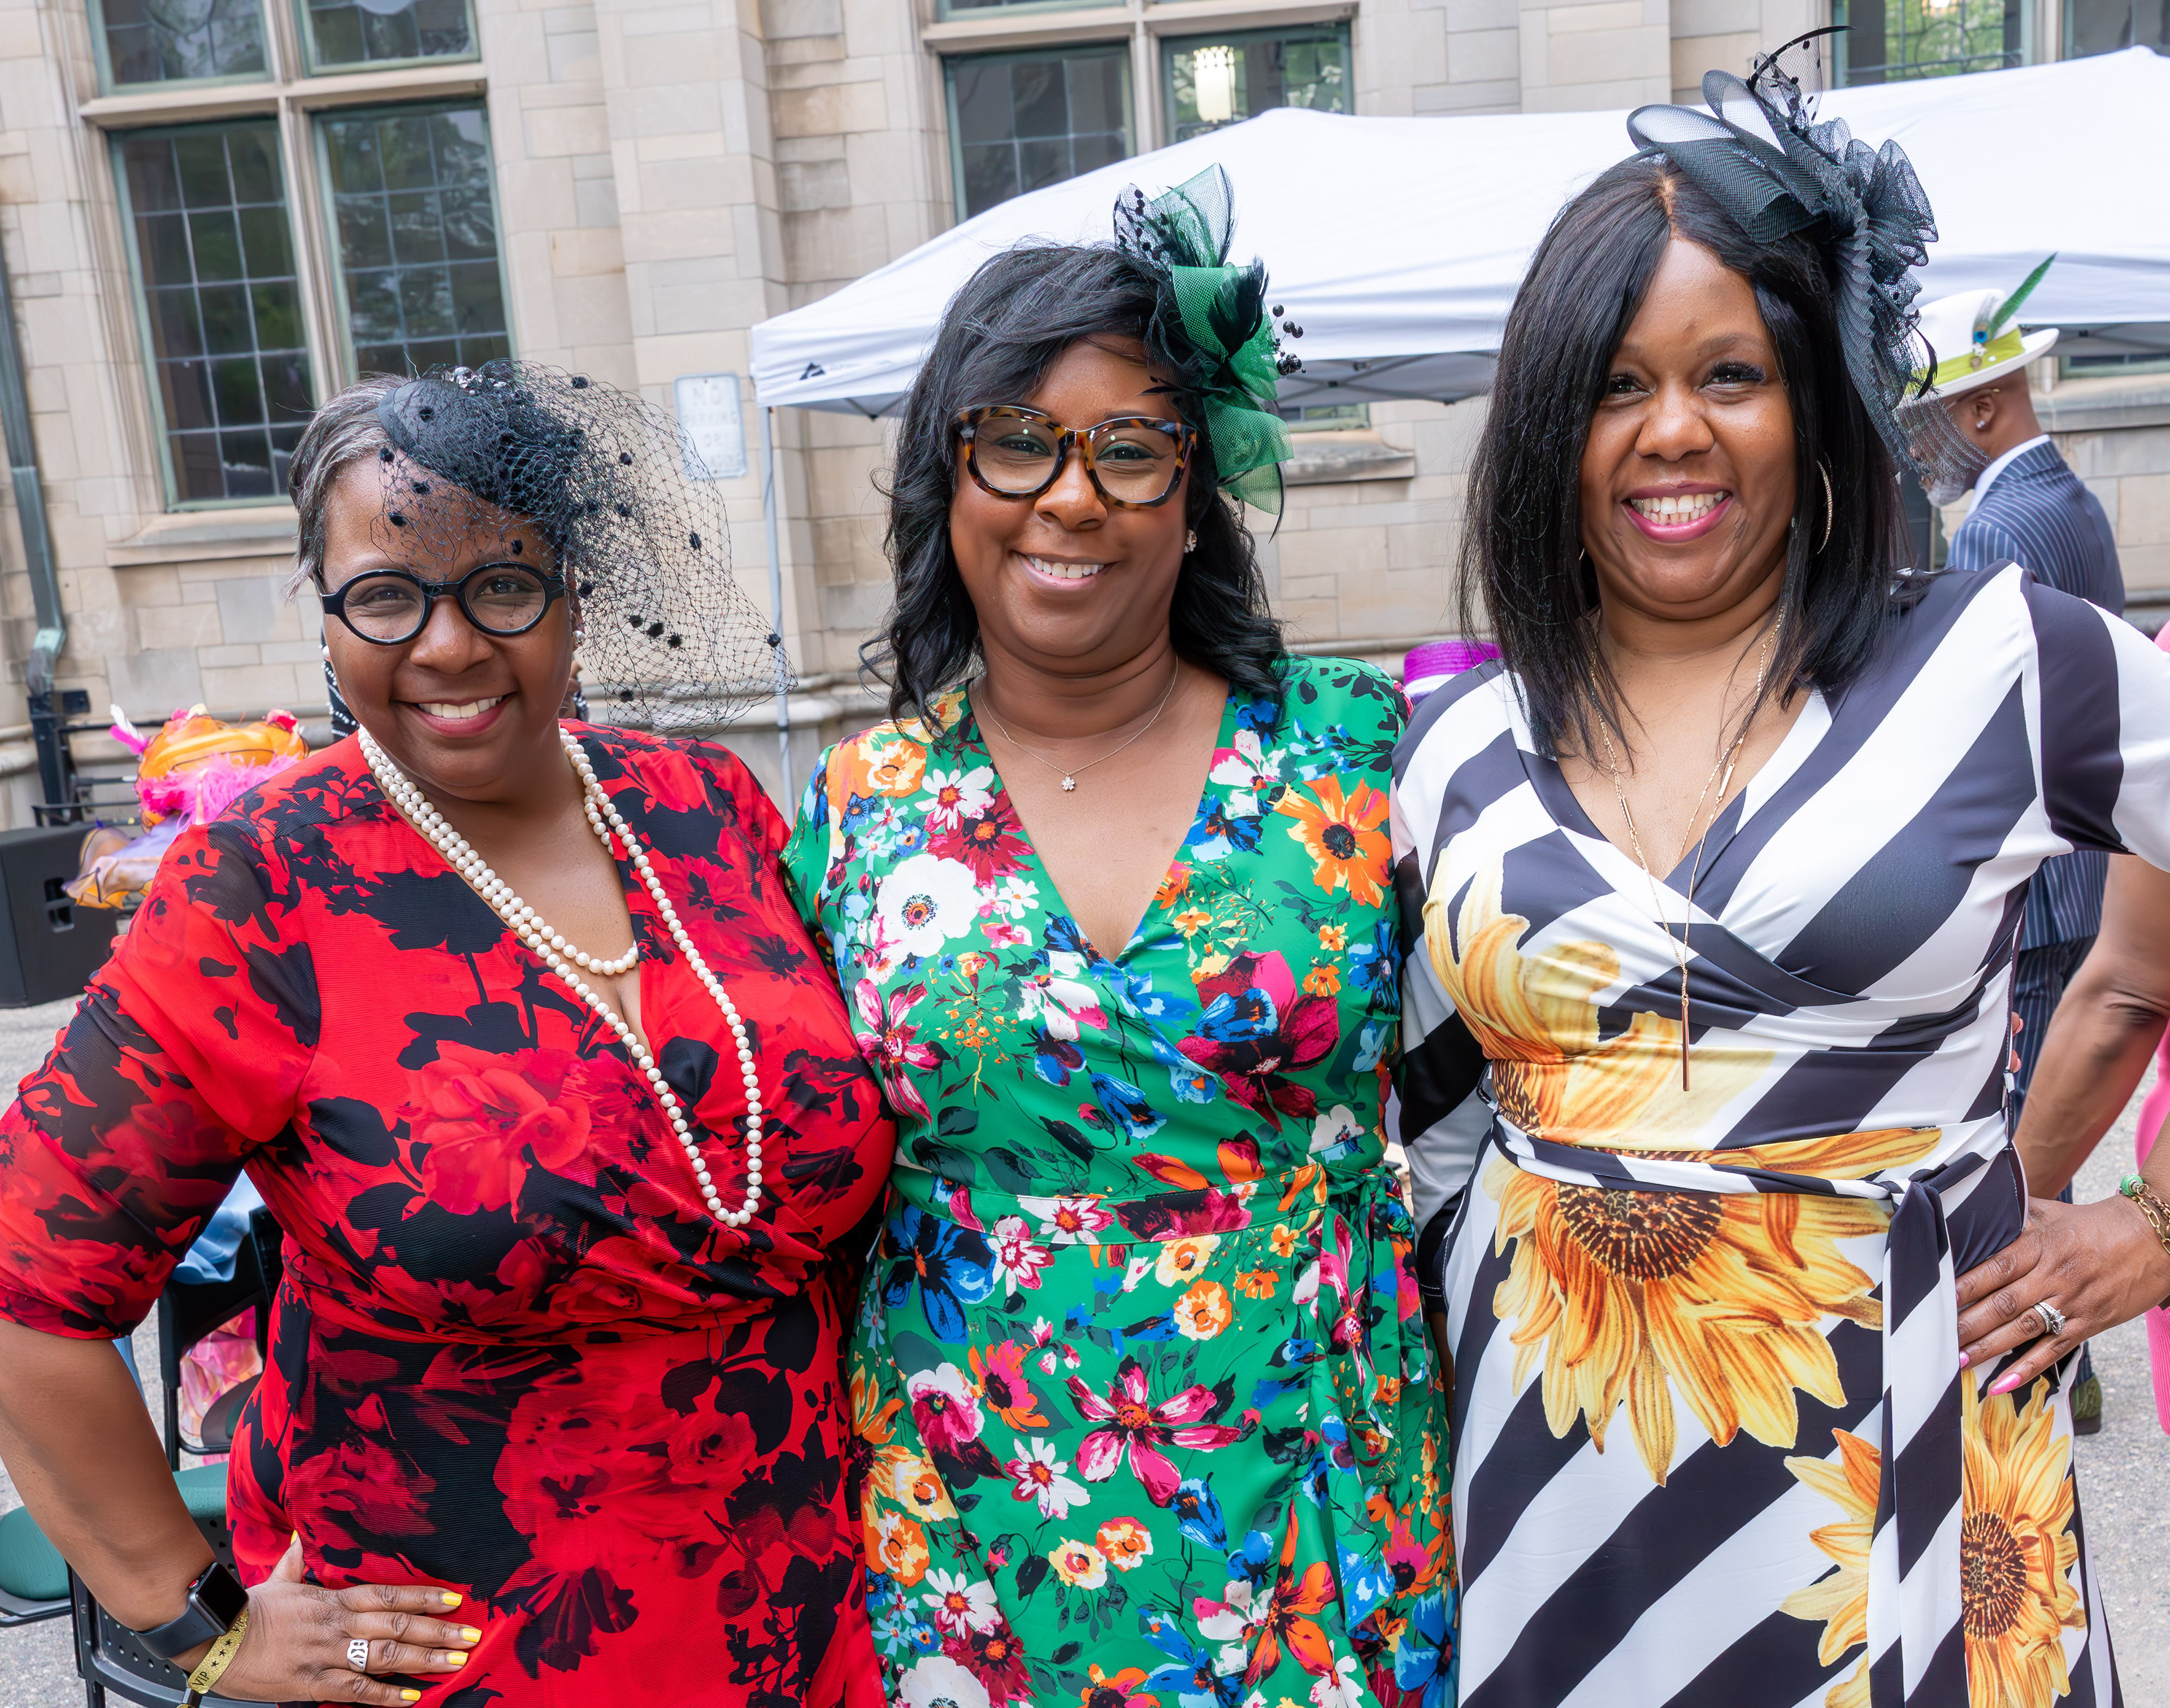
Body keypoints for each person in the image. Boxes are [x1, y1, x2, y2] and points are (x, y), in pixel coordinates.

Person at [1393, 50, 2170, 1708]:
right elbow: (1436, 1127)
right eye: (1615, 382)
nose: (1672, 427)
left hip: (1907, 1460)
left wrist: (2158, 1221)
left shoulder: (2006, 666)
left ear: (1814, 401)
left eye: (1730, 372)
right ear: (1548, 430)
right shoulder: (1455, 746)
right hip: (1562, 1492)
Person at [0, 363, 895, 1706]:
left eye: (503, 584)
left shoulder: (704, 806)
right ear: (326, 613)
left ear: (574, 594)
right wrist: (204, 1624)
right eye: (386, 596)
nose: (449, 644)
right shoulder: (264, 881)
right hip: (477, 1652)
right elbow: (30, 1289)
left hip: (820, 1611)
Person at [784, 169, 1455, 1708]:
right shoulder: (858, 807)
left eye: (1131, 450)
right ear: (946, 477)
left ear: (1196, 490)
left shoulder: (1362, 754)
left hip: (1315, 1491)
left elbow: (1529, 1071)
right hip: (968, 1519)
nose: (1070, 497)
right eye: (1017, 441)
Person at [1920, 271, 2127, 1430]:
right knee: (2049, 1112)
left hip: (2037, 885)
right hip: (2090, 871)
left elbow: (1973, 723)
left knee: (2018, 1137)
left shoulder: (1996, 526)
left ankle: (2044, 1361)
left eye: (1932, 424)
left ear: (1985, 407)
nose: (1923, 452)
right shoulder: (2074, 502)